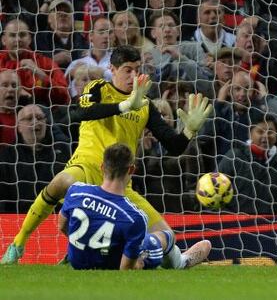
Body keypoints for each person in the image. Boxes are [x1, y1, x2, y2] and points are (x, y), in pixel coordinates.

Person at [1, 45, 213, 266]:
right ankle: (17, 245)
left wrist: (189, 130)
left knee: (166, 235)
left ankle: (179, 261)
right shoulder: (97, 88)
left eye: (137, 70)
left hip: (121, 184)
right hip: (87, 168)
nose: (133, 76)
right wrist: (123, 106)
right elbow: (81, 113)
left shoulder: (145, 106)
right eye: (127, 70)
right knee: (63, 180)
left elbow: (174, 145)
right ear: (112, 68)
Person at [58, 143, 211, 270]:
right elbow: (126, 270)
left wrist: (82, 245)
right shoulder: (135, 216)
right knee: (165, 235)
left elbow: (62, 225)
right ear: (131, 170)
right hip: (113, 264)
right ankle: (182, 261)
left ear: (102, 167)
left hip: (78, 262)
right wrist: (140, 261)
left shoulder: (75, 191)